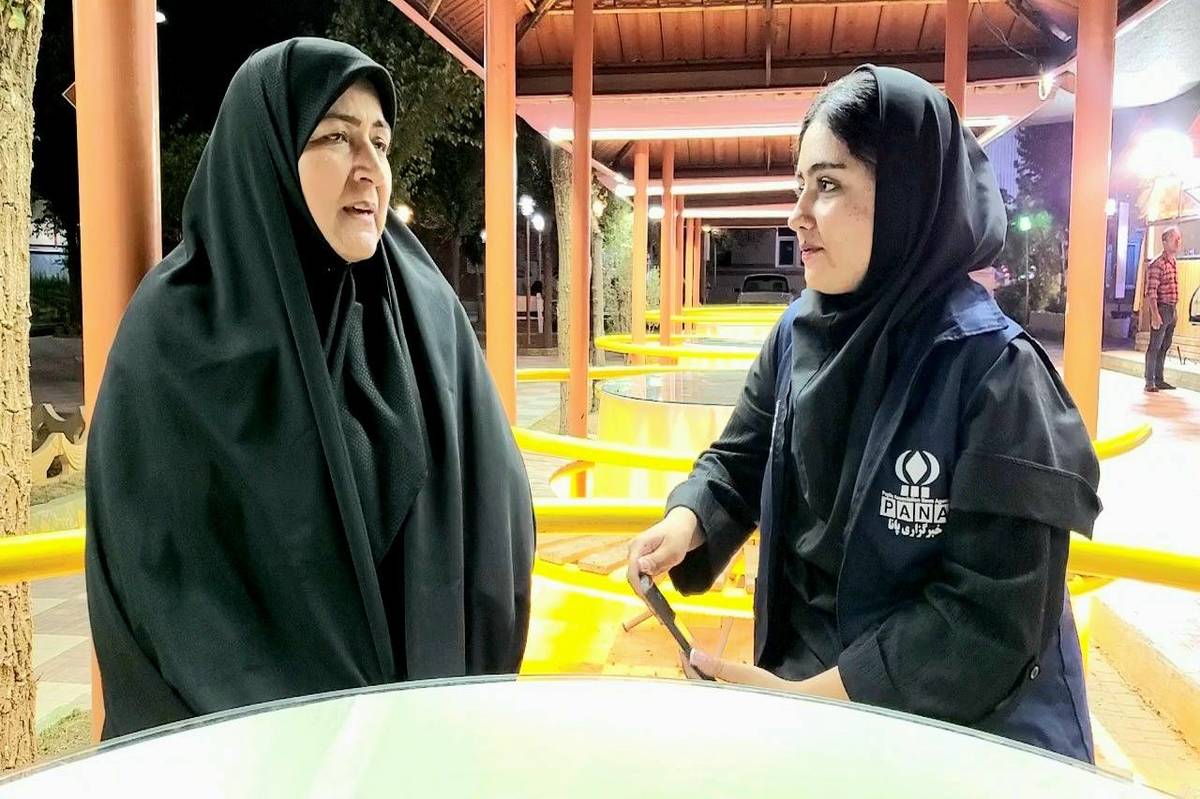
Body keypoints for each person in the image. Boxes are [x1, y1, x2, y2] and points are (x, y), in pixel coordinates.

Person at [626, 66, 1101, 763]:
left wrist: (816, 701)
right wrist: (687, 521)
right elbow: (741, 458)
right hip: (812, 702)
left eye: (828, 184)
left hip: (966, 739)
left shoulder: (996, 373)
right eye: (799, 185)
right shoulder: (798, 333)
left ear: (908, 197)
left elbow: (988, 619)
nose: (797, 214)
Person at [86, 38, 535, 739]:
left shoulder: (422, 312)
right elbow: (162, 593)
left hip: (422, 748)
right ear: (266, 152)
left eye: (380, 143)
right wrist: (321, 737)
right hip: (243, 757)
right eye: (335, 138)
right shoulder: (174, 340)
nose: (370, 169)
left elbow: (497, 518)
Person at [1144, 226, 1181, 392]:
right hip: (1161, 308)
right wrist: (1155, 314)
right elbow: (1151, 292)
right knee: (1155, 345)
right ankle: (1149, 381)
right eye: (1174, 238)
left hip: (1172, 308)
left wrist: (1174, 312)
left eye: (1179, 238)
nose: (1178, 242)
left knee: (1165, 345)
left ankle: (1159, 379)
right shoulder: (1157, 264)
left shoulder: (1173, 262)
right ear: (1165, 242)